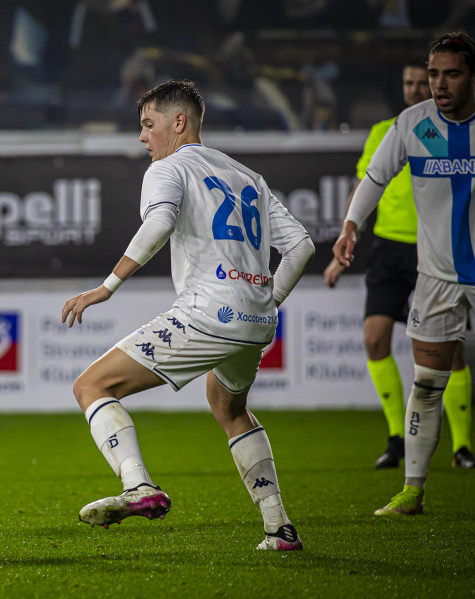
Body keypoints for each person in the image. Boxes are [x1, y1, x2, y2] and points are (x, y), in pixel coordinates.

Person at [62, 79, 315, 550]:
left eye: (148, 124)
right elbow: (301, 247)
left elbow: (157, 223)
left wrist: (107, 286)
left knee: (92, 386)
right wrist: (267, 300)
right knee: (229, 406)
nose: (143, 137)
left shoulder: (167, 168)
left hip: (209, 311)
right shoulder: (248, 177)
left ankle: (138, 486)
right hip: (258, 319)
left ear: (178, 122)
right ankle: (278, 527)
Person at [334, 32, 475, 516]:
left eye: (451, 73)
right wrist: (351, 224)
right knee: (427, 383)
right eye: (433, 74)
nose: (438, 84)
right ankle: (413, 490)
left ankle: (461, 450)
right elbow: (374, 176)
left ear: (472, 76)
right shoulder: (413, 124)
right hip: (435, 279)